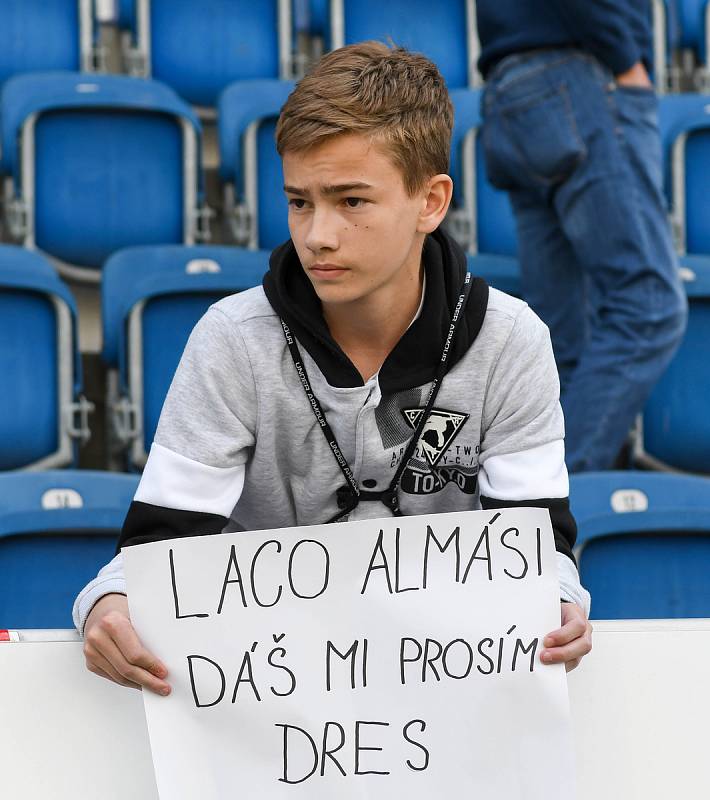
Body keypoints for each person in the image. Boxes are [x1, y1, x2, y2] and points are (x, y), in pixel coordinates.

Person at [74, 42, 592, 696]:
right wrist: (105, 606)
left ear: (431, 202)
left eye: (351, 201)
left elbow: (541, 552)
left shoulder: (511, 340)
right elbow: (150, 558)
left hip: (444, 707)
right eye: (299, 202)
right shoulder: (233, 340)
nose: (318, 234)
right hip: (272, 710)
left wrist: (562, 604)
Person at [476, 0, 688, 472]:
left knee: (563, 347)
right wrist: (627, 60)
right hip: (579, 76)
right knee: (650, 308)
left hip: (512, 89)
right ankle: (547, 508)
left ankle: (540, 525)